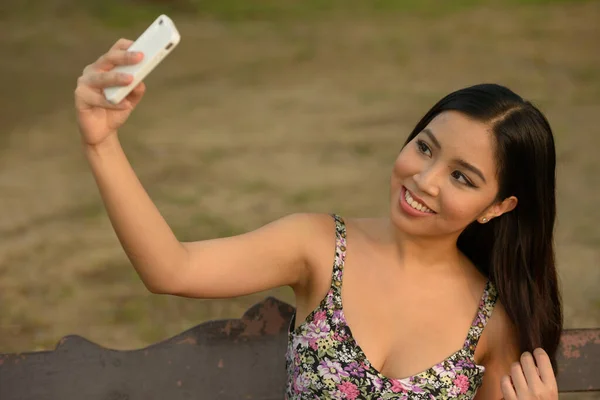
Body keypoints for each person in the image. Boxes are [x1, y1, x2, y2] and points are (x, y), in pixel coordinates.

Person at [74, 38, 563, 399]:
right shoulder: (320, 247)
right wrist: (102, 143)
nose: (425, 180)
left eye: (462, 178)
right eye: (425, 148)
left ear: (500, 206)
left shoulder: (495, 323)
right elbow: (171, 269)